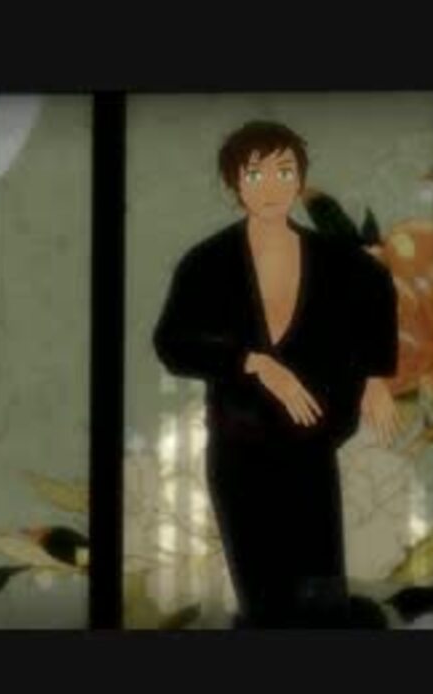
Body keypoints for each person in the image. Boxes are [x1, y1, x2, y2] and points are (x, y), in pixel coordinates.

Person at [153, 120, 400, 628]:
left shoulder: (338, 262)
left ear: (300, 179)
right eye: (255, 174)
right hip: (239, 452)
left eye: (284, 172)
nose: (271, 187)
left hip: (312, 451)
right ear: (234, 184)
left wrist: (376, 376)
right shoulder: (208, 263)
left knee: (321, 599)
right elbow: (172, 344)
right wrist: (253, 362)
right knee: (262, 598)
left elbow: (377, 288)